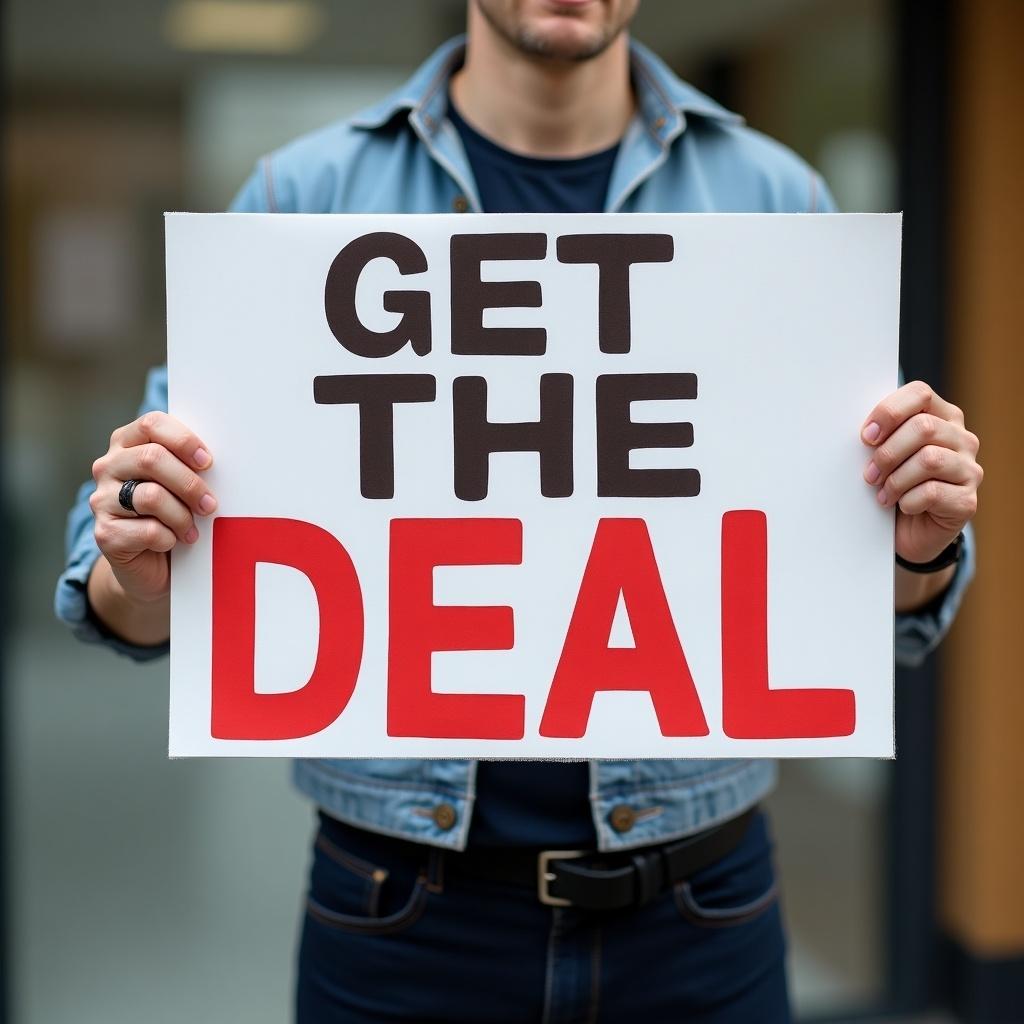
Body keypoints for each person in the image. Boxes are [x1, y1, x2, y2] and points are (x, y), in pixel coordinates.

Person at [56, 2, 983, 1021]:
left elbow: (880, 596)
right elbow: (130, 595)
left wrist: (914, 550)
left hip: (701, 914)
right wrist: (140, 564)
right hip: (401, 918)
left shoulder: (775, 200)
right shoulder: (300, 197)